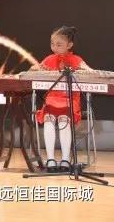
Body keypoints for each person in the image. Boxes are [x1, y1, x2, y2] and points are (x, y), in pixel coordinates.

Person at [30, 26, 92, 173]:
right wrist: (35, 69)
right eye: (52, 44)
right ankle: (50, 159)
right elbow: (34, 70)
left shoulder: (77, 60)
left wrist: (84, 70)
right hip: (52, 99)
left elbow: (91, 72)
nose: (54, 47)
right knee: (48, 120)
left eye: (59, 45)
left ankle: (65, 159)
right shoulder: (49, 59)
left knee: (64, 120)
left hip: (70, 100)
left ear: (69, 45)